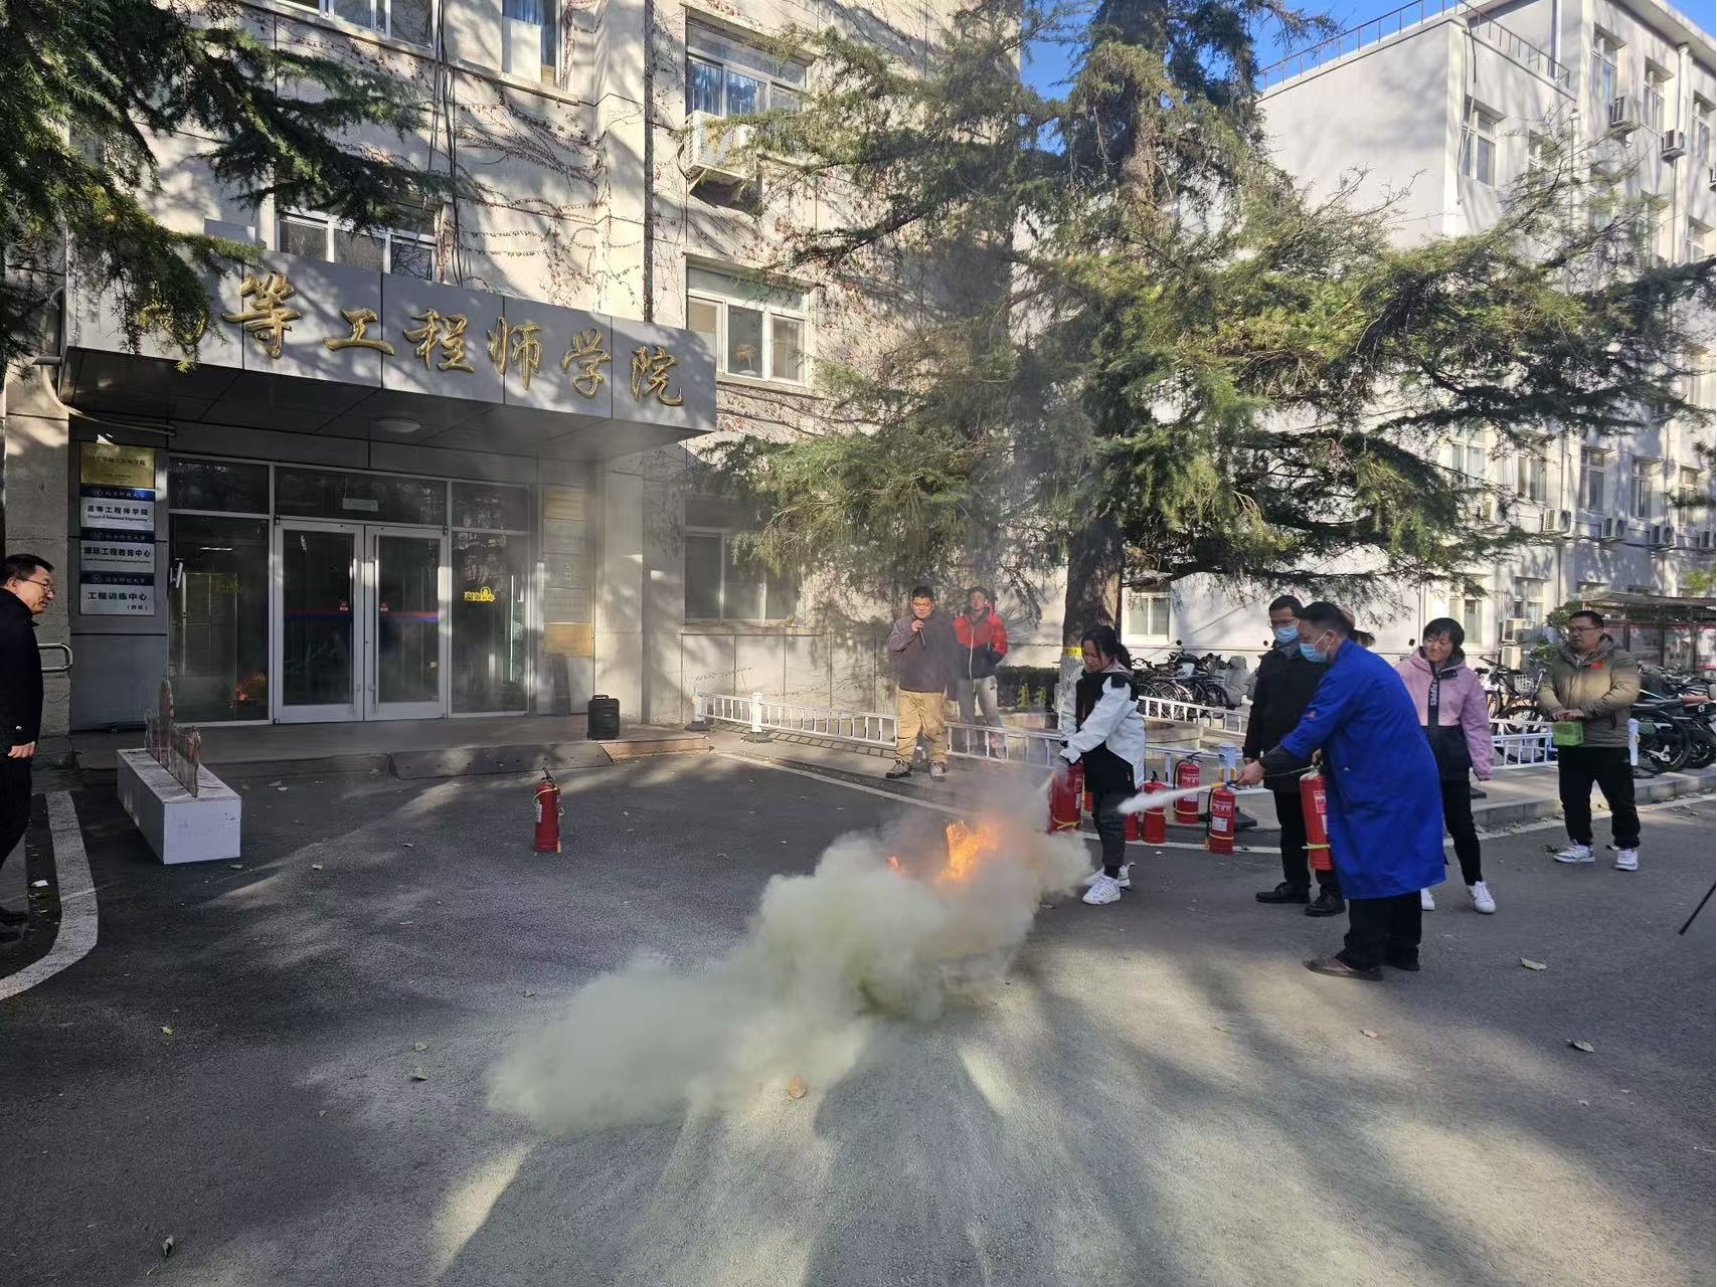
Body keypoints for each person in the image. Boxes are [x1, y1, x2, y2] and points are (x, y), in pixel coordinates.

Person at [1237, 602, 1446, 980]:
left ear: (1330, 636)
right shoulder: (1367, 664)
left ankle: (1361, 957)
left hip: (1381, 783)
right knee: (1399, 865)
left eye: (1305, 637)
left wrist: (1262, 766)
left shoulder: (1346, 673)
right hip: (1406, 776)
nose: (1301, 644)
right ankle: (1402, 948)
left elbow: (1307, 732)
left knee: (1369, 864)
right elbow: (1354, 722)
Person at [1243, 595, 1345, 917]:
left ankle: (1331, 889)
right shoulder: (1271, 660)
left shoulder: (1318, 658)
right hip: (1278, 754)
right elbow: (1259, 708)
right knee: (1290, 824)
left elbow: (1327, 710)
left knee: (1320, 823)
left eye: (1286, 622)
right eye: (1274, 623)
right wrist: (1251, 751)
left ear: (1301, 621)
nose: (1280, 628)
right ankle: (1296, 883)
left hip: (1312, 755)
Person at [1397, 619, 1496, 914]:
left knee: (1461, 824)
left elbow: (1476, 724)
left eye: (1443, 641)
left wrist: (1482, 763)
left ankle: (1475, 882)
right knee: (1417, 822)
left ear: (1455, 646)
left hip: (1451, 758)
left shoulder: (1466, 678)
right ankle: (1420, 883)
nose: (1435, 646)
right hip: (1413, 756)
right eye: (1430, 638)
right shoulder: (1403, 671)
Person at [1538, 609, 1643, 871]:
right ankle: (1581, 845)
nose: (1575, 634)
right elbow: (1546, 689)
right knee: (1573, 798)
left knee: (1620, 799)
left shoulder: (1619, 658)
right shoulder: (1560, 659)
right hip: (1571, 740)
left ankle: (1627, 847)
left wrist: (1585, 711)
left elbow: (1626, 692)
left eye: (1581, 629)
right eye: (1571, 629)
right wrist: (1555, 709)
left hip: (1608, 741)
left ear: (1599, 631)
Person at [1055, 625, 1147, 907]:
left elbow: (1100, 724)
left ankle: (1111, 880)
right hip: (1096, 755)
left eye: (1094, 655)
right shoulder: (1082, 675)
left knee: (1110, 817)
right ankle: (1115, 869)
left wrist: (1074, 748)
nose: (1089, 660)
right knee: (1097, 814)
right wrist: (1067, 739)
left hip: (1120, 760)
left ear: (1109, 654)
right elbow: (1069, 708)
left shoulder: (1119, 683)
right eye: (1085, 654)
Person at [0, 553, 53, 943]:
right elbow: (12, 683)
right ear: (14, 583)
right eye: (44, 585)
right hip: (6, 745)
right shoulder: (9, 622)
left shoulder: (10, 617)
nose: (49, 594)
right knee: (9, 821)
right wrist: (19, 735)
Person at [885, 586, 959, 781]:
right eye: (917, 604)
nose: (921, 608)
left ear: (932, 605)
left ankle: (937, 762)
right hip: (907, 686)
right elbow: (893, 645)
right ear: (912, 604)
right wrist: (911, 630)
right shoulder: (903, 624)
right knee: (906, 729)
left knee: (934, 729)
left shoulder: (943, 625)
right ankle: (903, 762)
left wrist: (952, 687)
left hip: (932, 688)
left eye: (925, 604)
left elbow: (952, 655)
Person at [953, 586, 1008, 755]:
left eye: (979, 597)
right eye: (973, 598)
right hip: (964, 677)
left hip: (985, 677)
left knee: (991, 714)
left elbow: (1001, 646)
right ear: (969, 601)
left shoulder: (994, 622)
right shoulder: (959, 623)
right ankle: (969, 747)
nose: (976, 601)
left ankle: (999, 748)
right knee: (966, 716)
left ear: (986, 601)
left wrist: (988, 661)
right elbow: (951, 647)